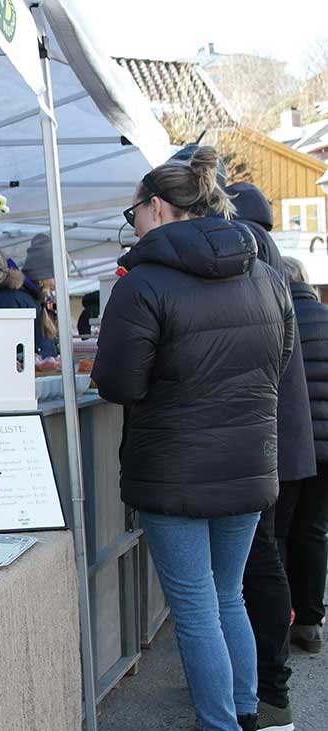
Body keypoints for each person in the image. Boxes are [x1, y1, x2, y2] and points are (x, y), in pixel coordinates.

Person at [92, 146, 294, 731]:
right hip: (249, 460)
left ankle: (220, 723)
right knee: (226, 595)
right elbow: (278, 364)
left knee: (199, 605)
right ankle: (246, 711)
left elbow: (118, 383)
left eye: (134, 213)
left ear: (156, 207)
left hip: (173, 468)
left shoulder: (144, 282)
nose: (134, 224)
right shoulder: (265, 274)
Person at [225, 182, 316, 731]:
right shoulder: (274, 264)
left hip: (261, 441)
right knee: (268, 559)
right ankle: (269, 687)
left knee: (253, 568)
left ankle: (263, 690)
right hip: (285, 441)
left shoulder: (247, 260)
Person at [281, 256, 328, 657]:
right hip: (327, 449)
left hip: (289, 444)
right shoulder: (326, 317)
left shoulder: (275, 318)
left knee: (277, 534)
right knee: (313, 530)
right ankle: (311, 623)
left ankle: (279, 621)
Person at [0, 250, 58, 357]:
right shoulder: (12, 298)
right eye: (53, 277)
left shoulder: (33, 297)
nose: (55, 285)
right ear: (42, 276)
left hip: (41, 368)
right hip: (28, 371)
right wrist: (24, 358)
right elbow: (9, 344)